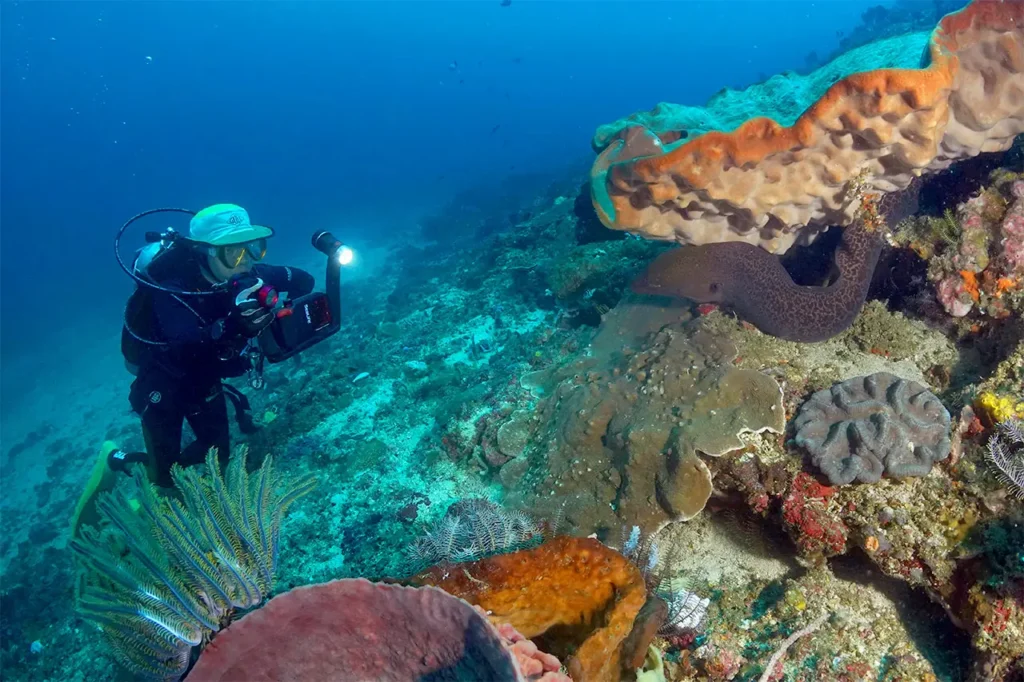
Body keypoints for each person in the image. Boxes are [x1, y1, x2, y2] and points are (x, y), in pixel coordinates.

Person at [71, 204, 314, 534]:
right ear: (206, 251)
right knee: (165, 476)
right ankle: (118, 459)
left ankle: (189, 488)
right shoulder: (169, 287)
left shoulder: (246, 273)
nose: (245, 260)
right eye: (233, 252)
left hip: (205, 381)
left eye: (252, 247)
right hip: (163, 387)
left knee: (216, 454)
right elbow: (185, 347)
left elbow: (304, 280)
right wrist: (233, 326)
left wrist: (277, 301)